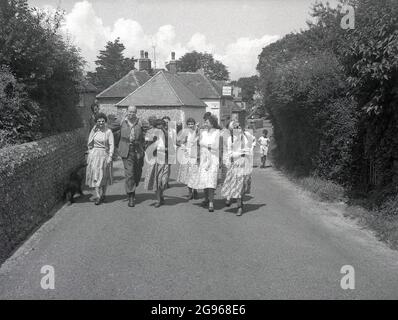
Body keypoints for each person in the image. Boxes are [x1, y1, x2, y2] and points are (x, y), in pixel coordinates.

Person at [221, 120, 254, 216]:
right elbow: (230, 154)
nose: (238, 128)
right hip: (236, 165)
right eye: (235, 127)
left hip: (246, 164)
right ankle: (239, 207)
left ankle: (241, 202)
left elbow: (251, 146)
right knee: (238, 187)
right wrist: (241, 153)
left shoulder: (246, 136)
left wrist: (248, 151)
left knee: (244, 187)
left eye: (239, 126)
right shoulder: (230, 139)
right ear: (232, 130)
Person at [118, 105, 145, 207]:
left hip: (138, 150)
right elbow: (109, 128)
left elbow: (151, 130)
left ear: (136, 112)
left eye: (133, 112)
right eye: (129, 112)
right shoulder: (121, 122)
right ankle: (131, 196)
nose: (131, 114)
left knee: (137, 173)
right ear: (127, 112)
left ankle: (135, 183)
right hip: (126, 150)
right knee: (129, 173)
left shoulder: (140, 122)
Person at [193, 114, 220, 212]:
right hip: (204, 159)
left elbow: (215, 146)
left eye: (207, 122)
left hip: (213, 160)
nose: (205, 123)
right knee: (204, 180)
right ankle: (206, 199)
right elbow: (195, 141)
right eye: (205, 122)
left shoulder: (217, 132)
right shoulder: (203, 132)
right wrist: (196, 131)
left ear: (212, 123)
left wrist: (204, 144)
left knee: (211, 181)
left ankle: (211, 202)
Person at [86, 112, 114, 205]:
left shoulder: (108, 132)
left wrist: (110, 156)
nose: (101, 123)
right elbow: (89, 143)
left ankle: (104, 195)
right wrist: (90, 152)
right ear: (96, 122)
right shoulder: (94, 131)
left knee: (104, 176)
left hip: (104, 155)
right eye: (99, 121)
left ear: (105, 122)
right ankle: (98, 196)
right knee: (96, 176)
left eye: (103, 121)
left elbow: (111, 145)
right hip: (94, 156)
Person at [144, 118, 169, 207]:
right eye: (158, 126)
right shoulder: (151, 133)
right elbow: (147, 144)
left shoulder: (166, 134)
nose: (160, 128)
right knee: (156, 180)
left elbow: (172, 145)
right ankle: (158, 199)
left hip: (164, 158)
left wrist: (167, 149)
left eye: (161, 126)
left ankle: (161, 195)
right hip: (154, 157)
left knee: (163, 180)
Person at [176, 117, 199, 200]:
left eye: (192, 124)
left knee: (195, 174)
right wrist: (182, 145)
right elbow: (178, 141)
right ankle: (190, 192)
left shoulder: (197, 132)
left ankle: (195, 190)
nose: (190, 125)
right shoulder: (185, 133)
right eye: (189, 124)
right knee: (188, 174)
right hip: (186, 154)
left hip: (195, 155)